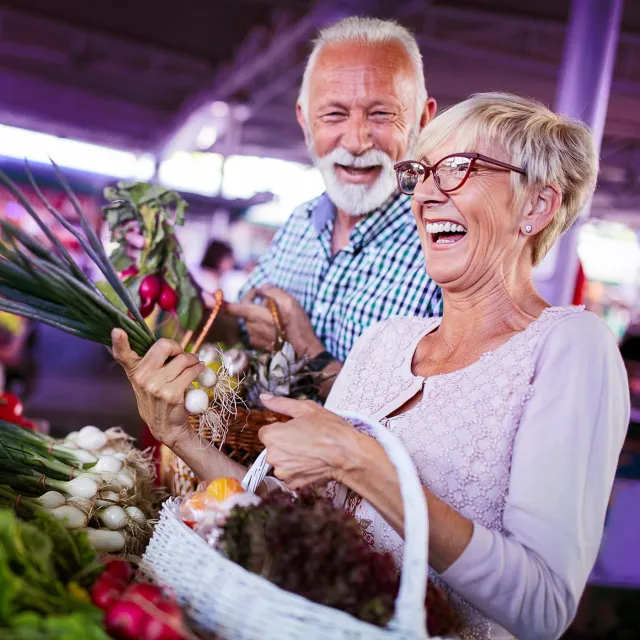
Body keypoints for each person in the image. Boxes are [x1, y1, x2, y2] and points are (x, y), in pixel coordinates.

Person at [112, 92, 629, 639]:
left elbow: (544, 609)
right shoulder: (383, 342)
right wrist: (180, 436)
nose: (427, 193)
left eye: (457, 170)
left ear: (537, 206)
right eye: (421, 173)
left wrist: (360, 461)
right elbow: (296, 523)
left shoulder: (570, 345)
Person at [220, 17, 442, 390]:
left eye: (381, 114)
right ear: (306, 122)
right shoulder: (300, 221)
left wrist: (305, 347)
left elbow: (426, 421)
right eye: (334, 114)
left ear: (422, 120)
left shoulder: (444, 247)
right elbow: (241, 327)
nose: (356, 141)